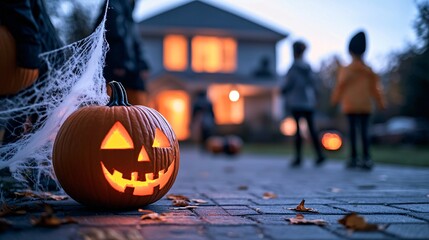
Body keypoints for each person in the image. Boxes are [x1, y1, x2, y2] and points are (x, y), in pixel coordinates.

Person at [0, 0, 62, 144]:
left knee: (34, 111)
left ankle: (21, 155)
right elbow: (19, 10)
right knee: (28, 109)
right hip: (27, 52)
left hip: (38, 49)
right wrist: (30, 53)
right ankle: (14, 156)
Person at [331, 31, 385, 170]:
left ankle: (353, 158)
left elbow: (340, 87)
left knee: (352, 133)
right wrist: (380, 103)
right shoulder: (369, 71)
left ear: (350, 51)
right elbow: (375, 89)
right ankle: (366, 158)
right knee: (365, 132)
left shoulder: (346, 70)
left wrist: (334, 100)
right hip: (365, 106)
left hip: (350, 106)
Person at [281, 40, 325, 167]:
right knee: (312, 129)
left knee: (298, 130)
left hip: (296, 102)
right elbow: (314, 83)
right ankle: (319, 155)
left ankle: (298, 158)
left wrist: (283, 90)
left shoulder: (293, 68)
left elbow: (289, 84)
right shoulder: (308, 67)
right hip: (308, 101)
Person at [101, 0, 150, 105]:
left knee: (139, 112)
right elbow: (112, 36)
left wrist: (142, 64)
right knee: (111, 107)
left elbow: (135, 42)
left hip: (131, 71)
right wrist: (118, 62)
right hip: (117, 69)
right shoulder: (113, 7)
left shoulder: (129, 16)